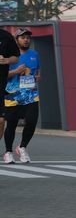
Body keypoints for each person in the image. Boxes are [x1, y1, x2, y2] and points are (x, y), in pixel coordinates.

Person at [4, 28, 40, 164]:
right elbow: (3, 75)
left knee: (31, 121)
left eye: (28, 38)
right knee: (11, 124)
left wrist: (38, 77)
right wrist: (16, 72)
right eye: (23, 37)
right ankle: (8, 152)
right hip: (12, 95)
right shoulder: (9, 56)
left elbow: (38, 71)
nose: (26, 40)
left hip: (31, 94)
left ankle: (22, 147)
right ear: (16, 40)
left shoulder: (34, 54)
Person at [0, 27, 21, 162]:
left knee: (1, 121)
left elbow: (16, 57)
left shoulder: (5, 36)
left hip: (1, 86)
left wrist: (6, 60)